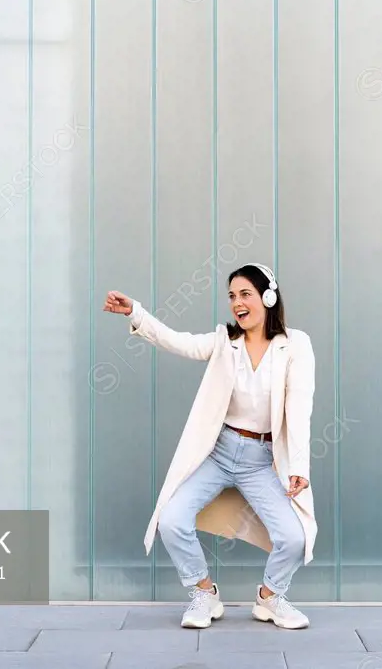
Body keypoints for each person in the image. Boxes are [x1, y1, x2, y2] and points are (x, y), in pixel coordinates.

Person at [103, 263, 317, 630]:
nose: (237, 303)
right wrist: (136, 312)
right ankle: (204, 592)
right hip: (218, 453)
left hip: (261, 460)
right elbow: (177, 340)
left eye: (245, 294)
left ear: (268, 297)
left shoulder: (295, 344)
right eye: (232, 296)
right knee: (170, 521)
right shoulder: (224, 341)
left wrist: (298, 465)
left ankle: (269, 598)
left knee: (295, 538)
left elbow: (300, 406)